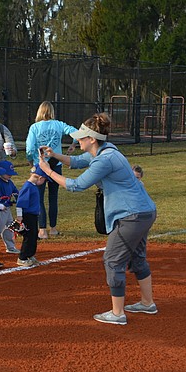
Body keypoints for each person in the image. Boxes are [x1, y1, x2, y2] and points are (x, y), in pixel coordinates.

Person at [38, 113, 157, 326]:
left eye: (81, 138)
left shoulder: (105, 159)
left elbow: (76, 185)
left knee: (112, 260)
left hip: (131, 215)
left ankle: (117, 313)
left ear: (91, 139)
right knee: (137, 258)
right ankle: (147, 303)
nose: (78, 141)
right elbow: (75, 162)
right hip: (143, 211)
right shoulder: (105, 150)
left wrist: (47, 172)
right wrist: (54, 155)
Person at [26, 101, 78, 239]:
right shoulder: (58, 124)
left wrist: (31, 162)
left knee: (39, 197)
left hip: (41, 163)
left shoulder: (34, 127)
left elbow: (30, 148)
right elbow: (77, 133)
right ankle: (53, 228)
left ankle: (42, 230)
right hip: (56, 163)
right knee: (53, 197)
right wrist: (73, 145)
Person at [15, 165, 48, 267]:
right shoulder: (28, 187)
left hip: (33, 216)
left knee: (34, 236)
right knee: (29, 237)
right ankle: (23, 257)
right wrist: (20, 217)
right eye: (44, 180)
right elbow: (20, 204)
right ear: (40, 178)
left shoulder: (33, 186)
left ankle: (30, 255)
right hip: (28, 215)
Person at [0, 160, 21, 255]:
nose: (10, 175)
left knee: (10, 227)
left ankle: (10, 246)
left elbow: (15, 192)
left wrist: (17, 198)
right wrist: (5, 201)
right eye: (7, 173)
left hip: (7, 209)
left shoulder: (9, 182)